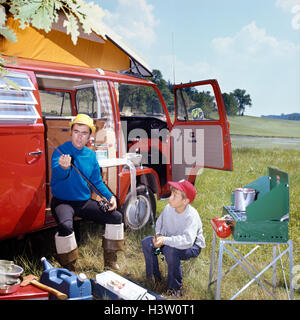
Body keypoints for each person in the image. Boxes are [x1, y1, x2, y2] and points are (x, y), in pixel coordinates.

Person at [50, 113, 124, 271]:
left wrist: (110, 196)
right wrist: (63, 168)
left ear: (90, 135)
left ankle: (110, 263)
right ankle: (68, 267)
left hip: (83, 202)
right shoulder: (60, 152)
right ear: (71, 132)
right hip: (62, 202)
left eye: (84, 133)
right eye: (76, 132)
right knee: (65, 226)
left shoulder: (91, 156)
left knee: (116, 217)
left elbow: (96, 182)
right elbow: (57, 174)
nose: (79, 137)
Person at [141, 179, 205, 298]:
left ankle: (175, 288)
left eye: (175, 196)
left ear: (185, 201)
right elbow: (159, 224)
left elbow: (187, 241)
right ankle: (154, 278)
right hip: (170, 241)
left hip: (191, 246)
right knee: (147, 243)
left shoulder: (191, 216)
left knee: (171, 251)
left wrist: (165, 240)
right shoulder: (168, 208)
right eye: (171, 194)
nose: (170, 198)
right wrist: (159, 236)